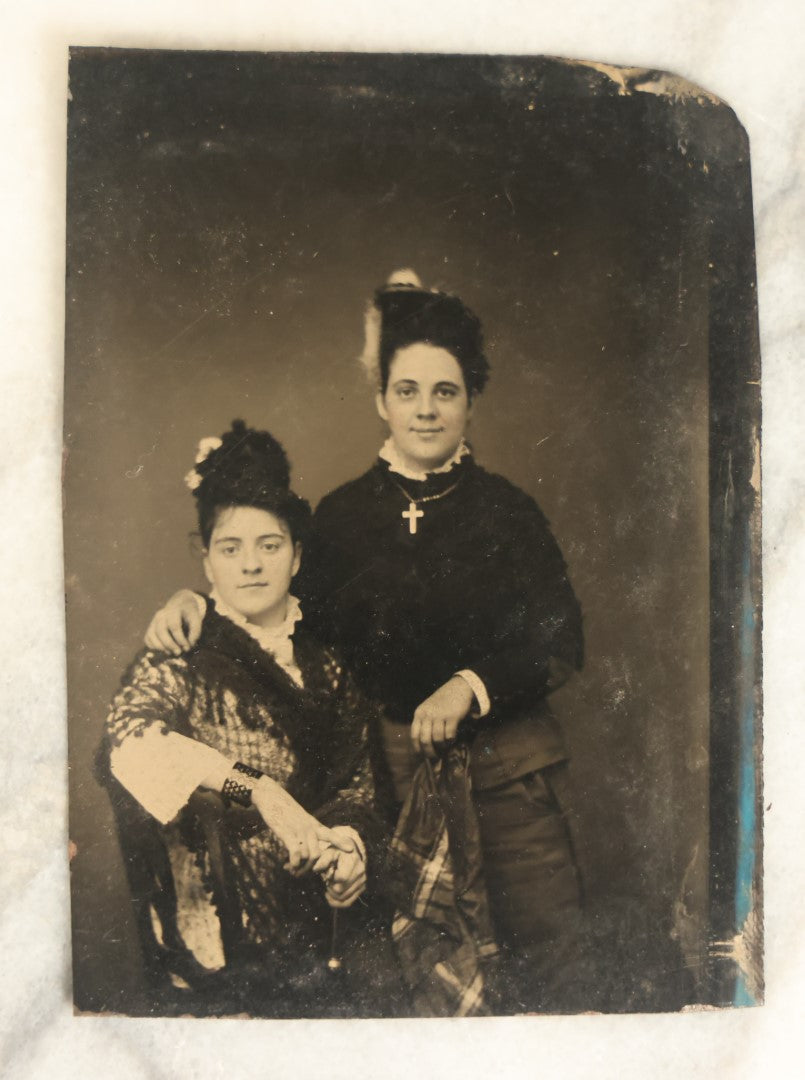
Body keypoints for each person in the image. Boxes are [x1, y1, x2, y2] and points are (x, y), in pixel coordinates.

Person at [146, 272, 586, 1012]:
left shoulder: (509, 512)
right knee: (413, 971)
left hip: (509, 777)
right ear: (381, 400)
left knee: (550, 961)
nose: (424, 409)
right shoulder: (344, 517)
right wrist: (197, 597)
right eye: (406, 390)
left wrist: (468, 685)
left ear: (469, 399)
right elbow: (276, 598)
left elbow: (560, 636)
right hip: (391, 779)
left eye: (444, 392)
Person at [102, 421, 392, 1017]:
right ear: (204, 561)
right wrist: (258, 790)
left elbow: (358, 783)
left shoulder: (327, 665)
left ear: (297, 556)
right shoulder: (180, 651)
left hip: (317, 938)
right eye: (230, 548)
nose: (252, 565)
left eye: (271, 544)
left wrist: (348, 852)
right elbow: (131, 744)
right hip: (218, 950)